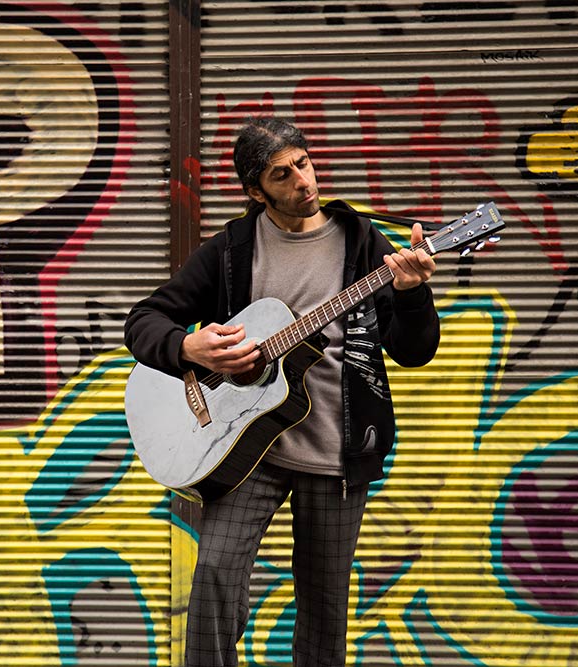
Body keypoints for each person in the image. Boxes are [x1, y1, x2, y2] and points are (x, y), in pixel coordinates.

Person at [123, 116, 440, 667]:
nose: (303, 180)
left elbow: (413, 350)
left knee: (323, 613)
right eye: (281, 174)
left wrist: (412, 294)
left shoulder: (363, 242)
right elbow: (145, 319)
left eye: (304, 163)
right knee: (216, 578)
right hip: (243, 452)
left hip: (336, 452)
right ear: (255, 191)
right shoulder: (232, 250)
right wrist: (186, 349)